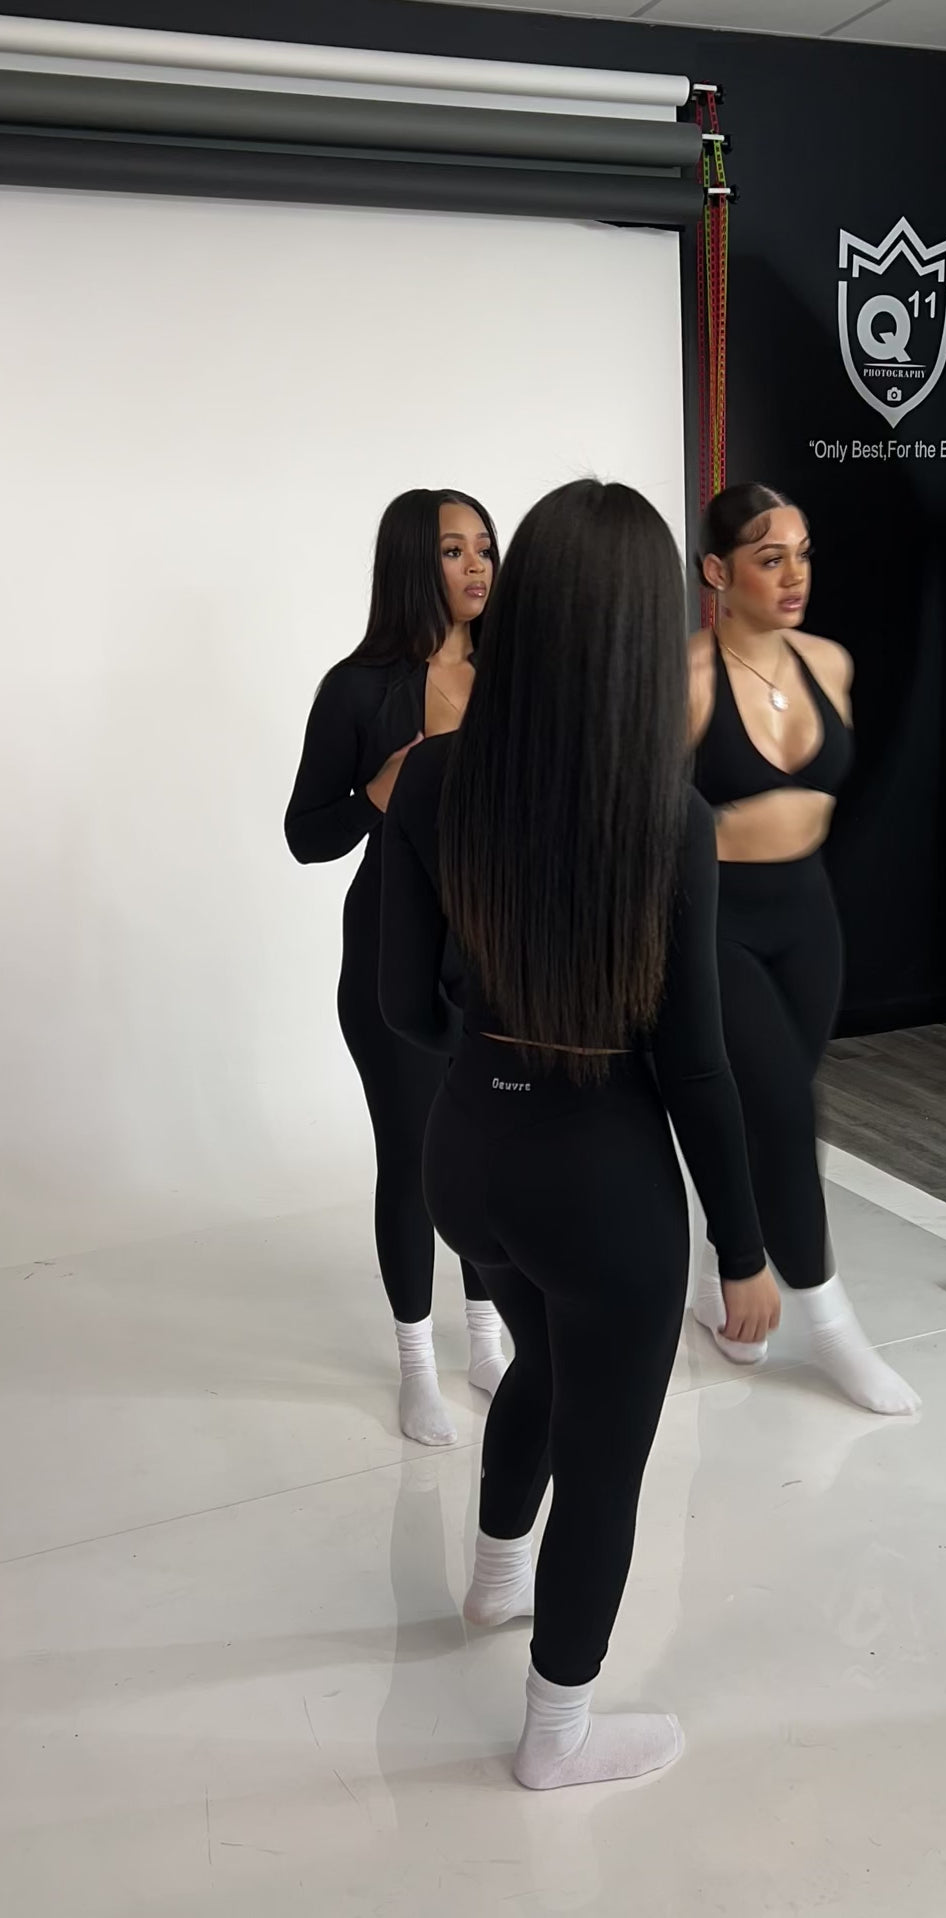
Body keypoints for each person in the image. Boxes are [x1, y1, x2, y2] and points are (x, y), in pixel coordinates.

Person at [379, 480, 781, 1791]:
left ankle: (495, 1577)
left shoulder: (433, 775)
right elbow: (695, 1067)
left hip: (465, 1163)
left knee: (542, 1363)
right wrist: (743, 1249)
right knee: (604, 1463)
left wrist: (494, 1040)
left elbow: (402, 1006)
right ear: (639, 634)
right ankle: (555, 1738)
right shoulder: (668, 818)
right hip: (600, 1193)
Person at [688, 482, 919, 1416]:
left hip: (808, 914)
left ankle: (718, 1280)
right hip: (717, 921)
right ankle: (830, 1324)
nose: (794, 575)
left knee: (775, 1110)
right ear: (717, 571)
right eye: (769, 557)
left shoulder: (831, 661)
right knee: (787, 1108)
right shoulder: (685, 681)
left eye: (803, 553)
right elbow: (641, 827)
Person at [285, 488, 507, 1447]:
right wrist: (375, 791)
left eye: (485, 547)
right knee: (414, 1155)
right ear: (413, 562)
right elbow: (306, 835)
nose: (477, 565)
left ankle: (486, 1339)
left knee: (492, 1151)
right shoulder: (357, 688)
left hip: (497, 952)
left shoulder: (514, 672)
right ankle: (417, 1360)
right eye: (454, 550)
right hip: (394, 950)